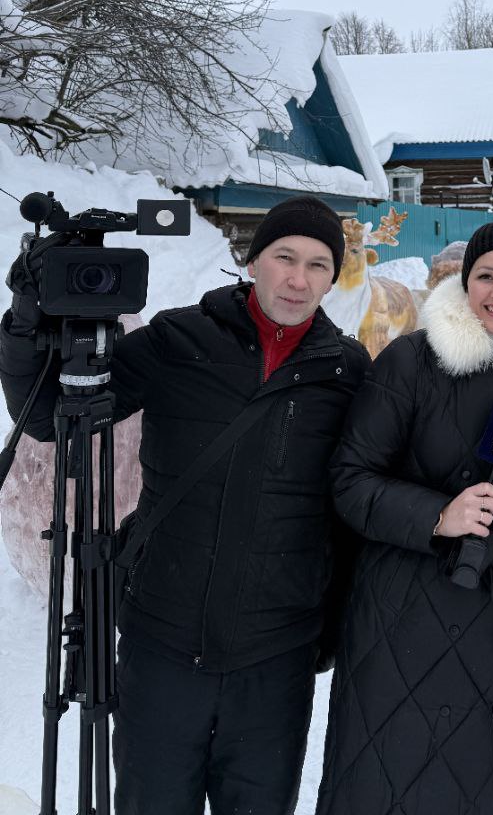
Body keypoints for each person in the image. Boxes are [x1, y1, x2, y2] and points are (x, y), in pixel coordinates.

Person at [0, 195, 370, 815]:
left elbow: (360, 499)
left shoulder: (346, 370)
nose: (298, 279)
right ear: (253, 262)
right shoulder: (179, 338)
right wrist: (24, 322)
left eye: (318, 264)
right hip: (162, 643)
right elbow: (46, 416)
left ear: (334, 277)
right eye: (284, 257)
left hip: (275, 657)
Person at [316, 220, 493, 815]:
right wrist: (437, 515)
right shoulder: (411, 361)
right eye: (485, 276)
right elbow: (350, 479)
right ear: (465, 283)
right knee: (394, 782)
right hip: (404, 616)